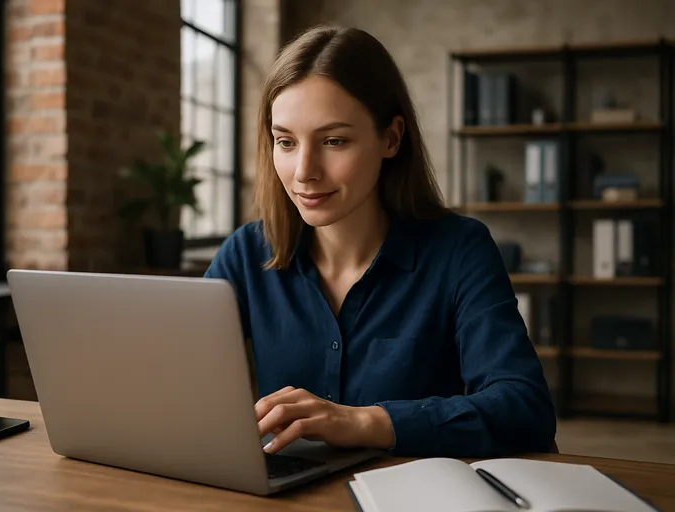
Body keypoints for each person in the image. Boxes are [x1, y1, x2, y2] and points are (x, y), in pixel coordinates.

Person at [204, 24, 556, 458]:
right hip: (289, 490)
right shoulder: (245, 253)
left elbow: (525, 409)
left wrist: (363, 422)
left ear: (391, 138)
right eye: (286, 142)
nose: (304, 171)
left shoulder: (459, 249)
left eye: (334, 141)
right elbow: (176, 379)